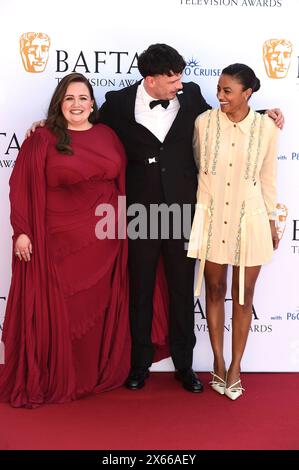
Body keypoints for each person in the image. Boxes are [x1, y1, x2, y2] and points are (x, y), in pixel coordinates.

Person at [26, 44, 284, 394]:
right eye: (173, 79)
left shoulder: (192, 96)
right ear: (151, 80)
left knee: (180, 291)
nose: (180, 84)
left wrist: (268, 113)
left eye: (181, 77)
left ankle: (185, 366)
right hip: (139, 211)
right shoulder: (117, 103)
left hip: (182, 211)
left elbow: (229, 116)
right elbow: (83, 123)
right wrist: (46, 124)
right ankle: (139, 365)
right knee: (141, 290)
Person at [0, 73, 131, 407]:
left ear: (92, 103)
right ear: (60, 102)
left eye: (83, 98)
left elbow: (122, 185)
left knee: (94, 311)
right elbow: (22, 187)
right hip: (58, 243)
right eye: (69, 98)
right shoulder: (42, 138)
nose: (77, 105)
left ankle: (90, 375)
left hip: (104, 241)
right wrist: (22, 231)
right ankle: (57, 376)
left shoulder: (108, 135)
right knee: (63, 311)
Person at [187, 63, 280, 400]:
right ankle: (217, 360)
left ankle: (236, 366)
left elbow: (268, 179)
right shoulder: (203, 123)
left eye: (228, 90)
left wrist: (272, 221)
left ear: (247, 93)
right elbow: (197, 165)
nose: (220, 96)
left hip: (250, 219)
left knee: (243, 297)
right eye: (219, 89)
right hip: (212, 219)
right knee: (213, 289)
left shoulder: (267, 128)